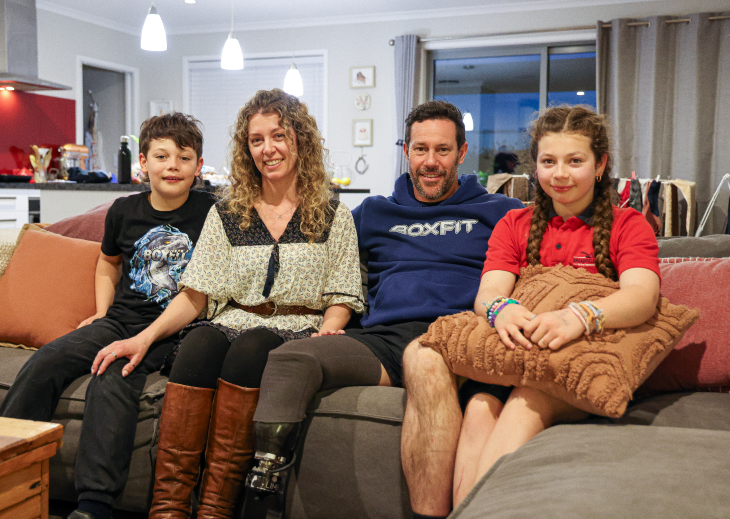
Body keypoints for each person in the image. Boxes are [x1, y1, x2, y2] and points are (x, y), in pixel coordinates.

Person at [92, 89, 364, 519]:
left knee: (251, 346)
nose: (268, 149)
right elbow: (196, 293)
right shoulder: (228, 213)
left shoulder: (334, 215)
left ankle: (215, 509)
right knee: (199, 345)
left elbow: (343, 294)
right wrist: (143, 339)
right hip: (230, 320)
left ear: (301, 140)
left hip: (298, 329)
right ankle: (169, 507)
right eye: (256, 140)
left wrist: (331, 328)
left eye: (279, 135)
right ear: (246, 148)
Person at [242, 100, 523, 513]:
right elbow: (320, 259)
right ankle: (259, 501)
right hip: (384, 338)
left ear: (461, 153)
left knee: (428, 364)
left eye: (442, 150)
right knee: (292, 358)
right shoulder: (372, 212)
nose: (430, 161)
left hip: (462, 335)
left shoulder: (503, 213)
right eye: (420, 149)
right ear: (406, 150)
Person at [401, 105, 662, 518]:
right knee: (478, 407)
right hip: (520, 357)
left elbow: (642, 296)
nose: (560, 173)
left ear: (601, 165)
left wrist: (578, 316)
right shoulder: (514, 223)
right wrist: (501, 310)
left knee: (525, 403)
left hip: (575, 363)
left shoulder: (628, 224)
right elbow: (488, 293)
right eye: (548, 161)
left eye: (575, 161)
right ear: (535, 167)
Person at [0, 112, 215, 519]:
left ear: (199, 167)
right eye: (162, 156)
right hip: (119, 320)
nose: (173, 165)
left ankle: (94, 505)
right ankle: (8, 465)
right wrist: (100, 313)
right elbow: (107, 263)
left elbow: (199, 294)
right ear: (143, 163)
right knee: (45, 360)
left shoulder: (211, 214)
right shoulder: (124, 211)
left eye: (184, 158)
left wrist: (144, 338)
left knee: (113, 374)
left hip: (173, 330)